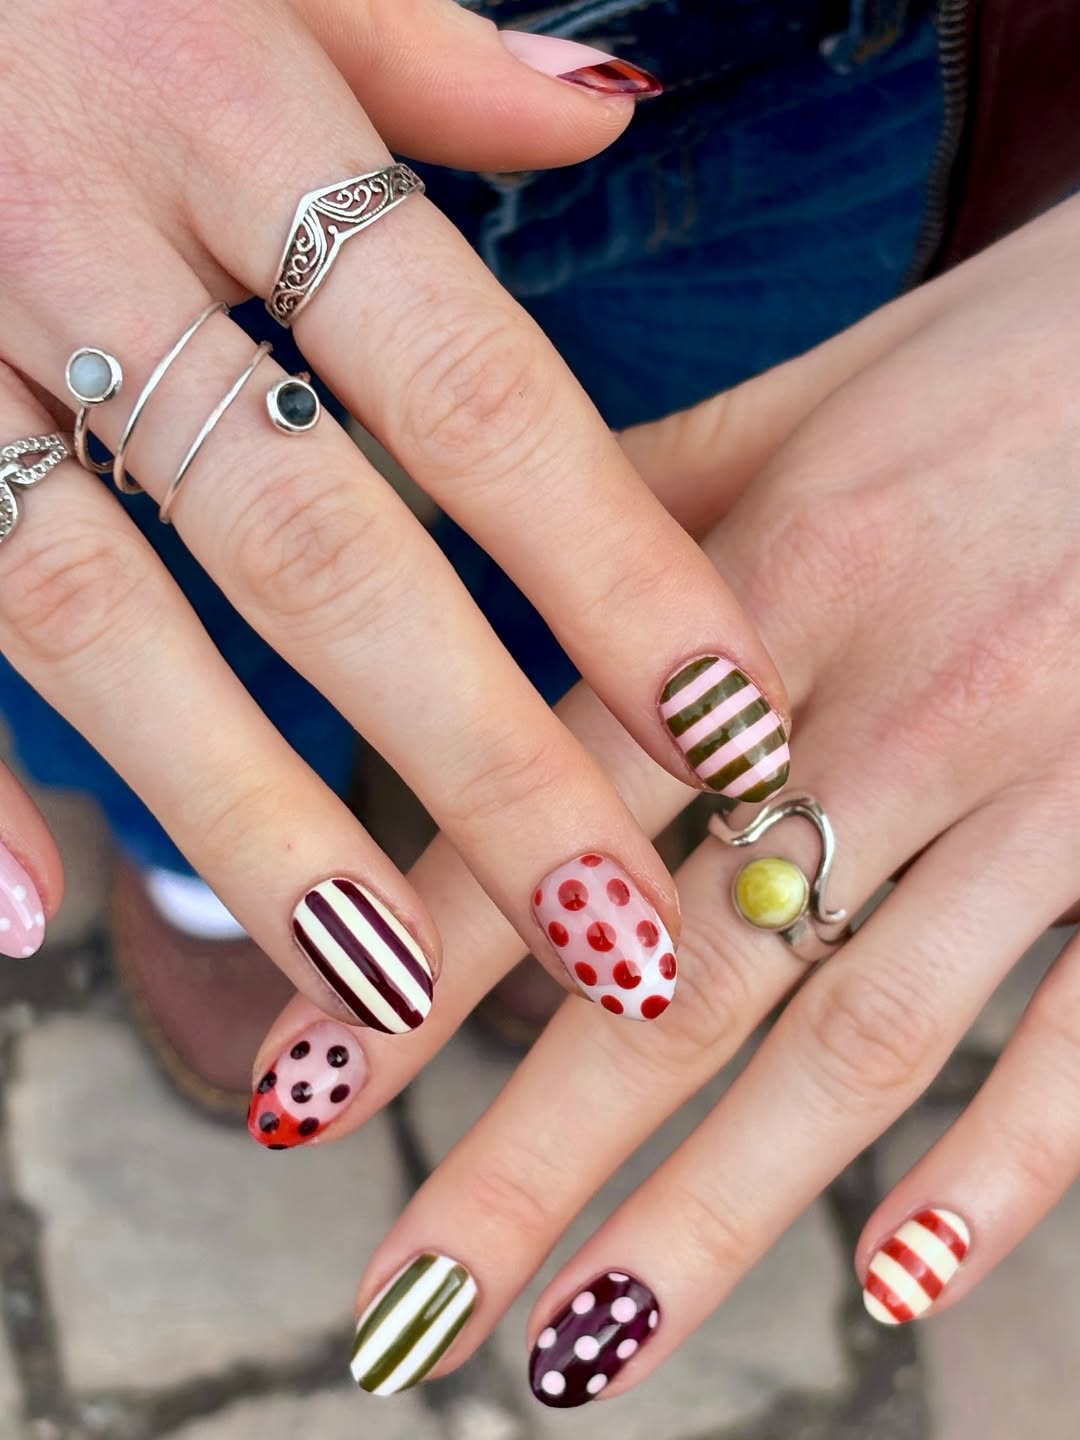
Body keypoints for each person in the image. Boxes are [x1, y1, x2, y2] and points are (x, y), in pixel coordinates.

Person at [3, 0, 1080, 1408]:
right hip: (67, 117)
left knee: (607, 573)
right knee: (107, 600)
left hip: (845, 90)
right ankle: (203, 881)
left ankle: (535, 853)